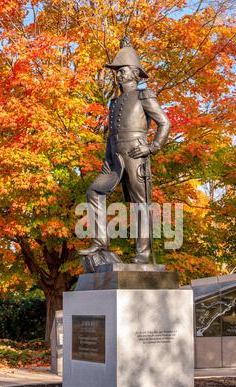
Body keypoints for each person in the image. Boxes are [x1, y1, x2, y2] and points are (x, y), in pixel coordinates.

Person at [80, 36, 171, 263]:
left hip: (136, 153)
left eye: (123, 69)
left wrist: (152, 147)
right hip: (114, 156)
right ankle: (100, 242)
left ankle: (143, 253)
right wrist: (107, 158)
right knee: (94, 192)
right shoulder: (114, 101)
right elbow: (111, 133)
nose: (118, 74)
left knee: (140, 204)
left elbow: (164, 123)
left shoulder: (144, 95)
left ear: (135, 73)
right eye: (117, 70)